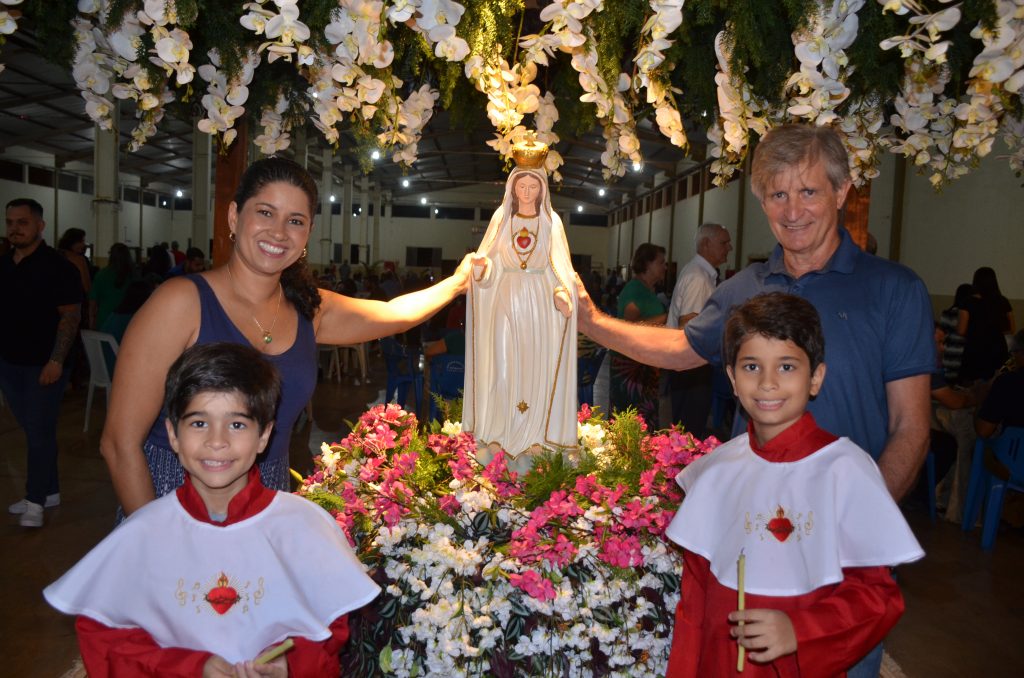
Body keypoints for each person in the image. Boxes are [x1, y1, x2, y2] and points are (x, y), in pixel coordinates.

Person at [102, 157, 474, 518]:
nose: (279, 232)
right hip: (173, 496)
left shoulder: (309, 310)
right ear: (234, 216)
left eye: (294, 221)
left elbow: (396, 314)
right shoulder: (181, 302)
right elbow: (120, 443)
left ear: (308, 233)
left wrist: (457, 283)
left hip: (265, 500)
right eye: (265, 212)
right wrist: (152, 540)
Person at [45, 342, 380, 676]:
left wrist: (289, 666)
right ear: (173, 435)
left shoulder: (303, 527)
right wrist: (190, 668)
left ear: (264, 435)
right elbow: (106, 641)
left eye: (237, 424)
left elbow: (330, 633)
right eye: (198, 423)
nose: (216, 441)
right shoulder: (144, 531)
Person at [664, 293, 923, 677]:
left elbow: (876, 598)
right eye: (752, 366)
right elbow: (694, 603)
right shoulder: (716, 472)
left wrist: (799, 631)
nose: (768, 383)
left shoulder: (844, 471)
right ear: (733, 379)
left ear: (815, 377)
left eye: (786, 366)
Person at [465, 144, 577, 472]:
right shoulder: (502, 218)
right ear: (512, 187)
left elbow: (561, 267)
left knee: (533, 366)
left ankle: (533, 437)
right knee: (503, 364)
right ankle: (500, 432)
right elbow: (488, 260)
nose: (526, 192)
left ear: (542, 189)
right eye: (521, 186)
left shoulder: (551, 222)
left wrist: (562, 292)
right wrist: (482, 268)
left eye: (533, 186)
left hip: (539, 303)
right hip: (506, 296)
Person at [1, 199, 84, 528]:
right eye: (9, 221)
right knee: (34, 428)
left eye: (22, 222)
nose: (14, 228)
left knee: (38, 431)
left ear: (40, 226)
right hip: (10, 362)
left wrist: (56, 361)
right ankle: (49, 491)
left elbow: (70, 317)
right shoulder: (5, 264)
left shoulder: (58, 266)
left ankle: (35, 499)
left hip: (44, 364)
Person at [665, 223, 732, 437]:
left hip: (691, 366)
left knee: (688, 427)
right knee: (689, 431)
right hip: (691, 367)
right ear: (705, 244)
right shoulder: (698, 278)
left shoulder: (701, 274)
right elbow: (688, 326)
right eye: (724, 243)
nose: (729, 248)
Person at [610, 243, 667, 426]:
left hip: (645, 365)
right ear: (647, 264)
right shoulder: (635, 289)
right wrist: (666, 317)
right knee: (633, 420)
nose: (664, 267)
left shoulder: (649, 290)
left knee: (644, 419)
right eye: (661, 262)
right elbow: (630, 326)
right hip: (632, 367)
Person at [960, 266, 1012, 383]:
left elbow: (961, 330)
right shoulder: (1003, 301)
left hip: (974, 348)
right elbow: (1010, 328)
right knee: (997, 383)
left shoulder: (968, 302)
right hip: (997, 348)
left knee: (973, 385)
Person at [975, 330, 1024, 438]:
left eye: (1014, 352)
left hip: (1014, 452)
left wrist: (981, 398)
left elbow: (983, 430)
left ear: (1021, 353)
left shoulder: (1008, 382)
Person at [89, 242, 136, 329]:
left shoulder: (101, 275)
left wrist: (91, 321)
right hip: (129, 321)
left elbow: (93, 302)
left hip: (105, 319)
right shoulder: (134, 275)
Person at [938, 283, 972, 384]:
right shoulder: (972, 315)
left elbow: (942, 336)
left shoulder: (948, 313)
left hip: (949, 356)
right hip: (966, 358)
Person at [57, 227, 92, 298]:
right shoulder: (79, 259)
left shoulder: (56, 256)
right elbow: (86, 285)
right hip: (75, 300)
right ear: (72, 242)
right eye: (81, 241)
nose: (83, 245)